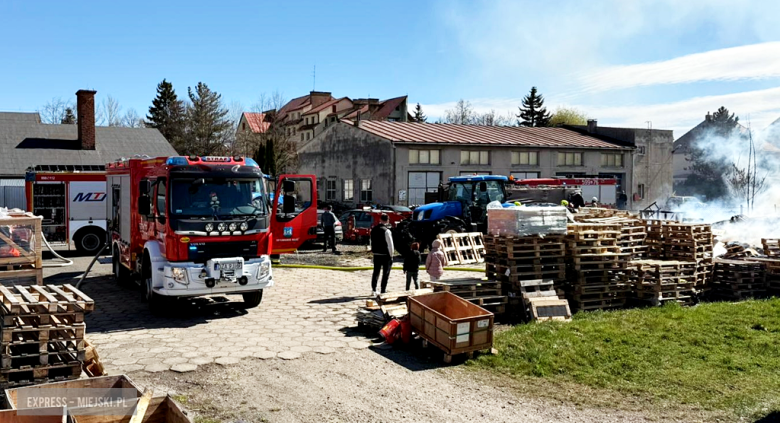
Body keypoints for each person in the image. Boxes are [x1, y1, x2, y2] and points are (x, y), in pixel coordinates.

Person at [370, 213, 395, 296]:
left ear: (380, 220)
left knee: (376, 272)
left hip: (376, 254)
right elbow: (390, 244)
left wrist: (373, 251)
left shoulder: (373, 229)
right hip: (385, 255)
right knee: (385, 273)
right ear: (387, 221)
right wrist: (391, 255)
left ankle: (373, 289)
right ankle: (383, 290)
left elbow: (372, 241)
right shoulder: (387, 231)